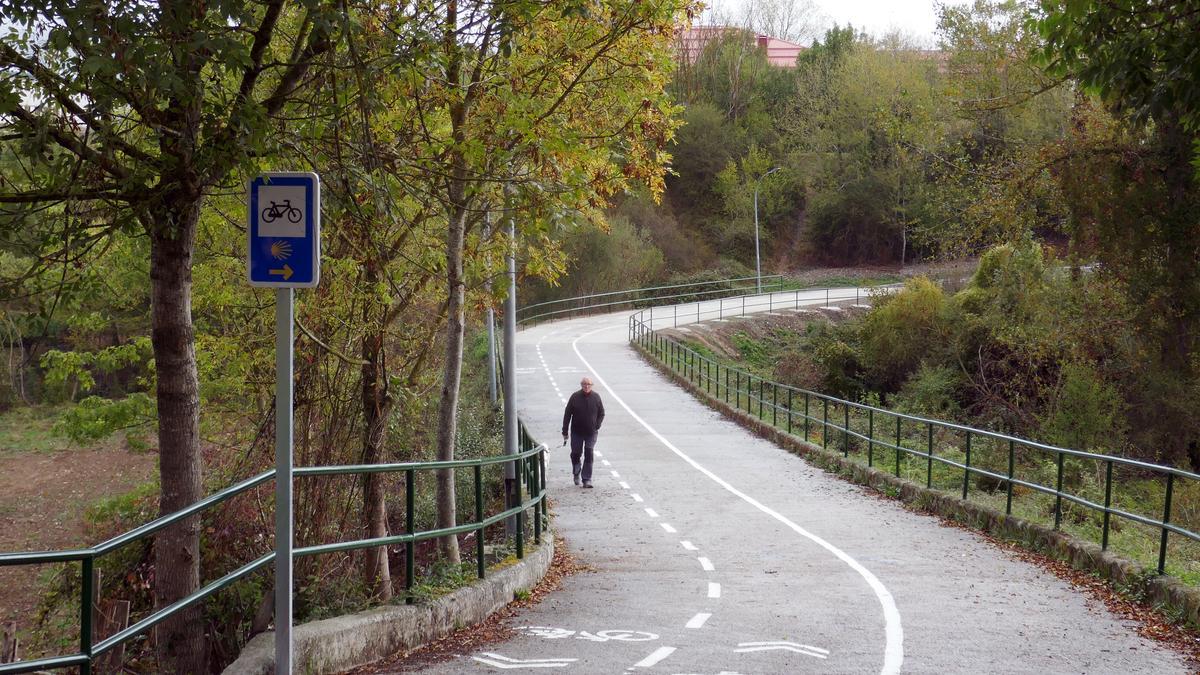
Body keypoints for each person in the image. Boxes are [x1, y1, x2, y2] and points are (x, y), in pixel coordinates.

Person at [562, 377, 605, 488]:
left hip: (591, 432)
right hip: (577, 432)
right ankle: (576, 470)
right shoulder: (575, 397)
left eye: (589, 384)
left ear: (592, 385)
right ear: (581, 385)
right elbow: (567, 414)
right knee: (576, 453)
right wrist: (565, 430)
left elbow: (602, 413)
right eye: (584, 384)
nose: (586, 386)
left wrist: (597, 425)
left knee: (589, 452)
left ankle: (587, 479)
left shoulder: (596, 397)